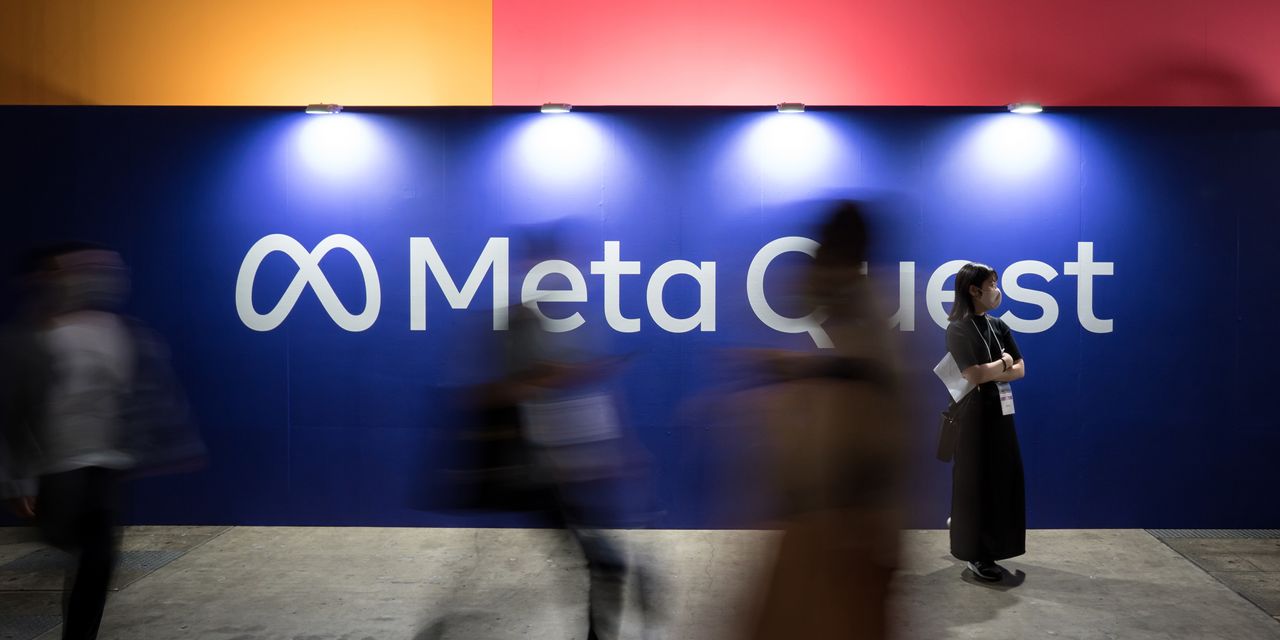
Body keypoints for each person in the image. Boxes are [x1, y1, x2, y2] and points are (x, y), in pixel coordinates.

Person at [945, 263, 1026, 582]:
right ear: (973, 289)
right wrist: (1003, 363)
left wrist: (996, 368)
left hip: (1001, 415)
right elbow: (973, 374)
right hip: (972, 418)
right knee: (974, 482)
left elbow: (1021, 369)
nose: (996, 289)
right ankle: (975, 552)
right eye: (991, 283)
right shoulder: (957, 329)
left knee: (1002, 480)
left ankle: (992, 544)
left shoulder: (998, 325)